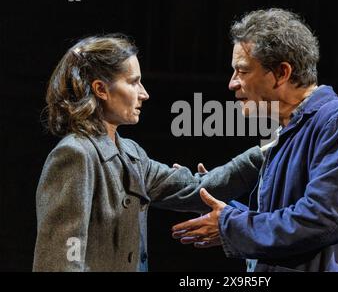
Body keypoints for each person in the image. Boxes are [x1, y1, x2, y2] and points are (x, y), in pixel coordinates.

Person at [172, 8, 338, 272]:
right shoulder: (288, 133)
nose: (232, 83)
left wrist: (231, 224)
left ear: (282, 72)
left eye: (242, 71)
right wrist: (218, 215)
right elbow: (280, 221)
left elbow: (326, 219)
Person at [33, 34, 264, 272]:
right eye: (133, 82)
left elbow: (195, 189)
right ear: (101, 89)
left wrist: (264, 154)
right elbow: (59, 262)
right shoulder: (76, 154)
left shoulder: (132, 155)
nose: (144, 94)